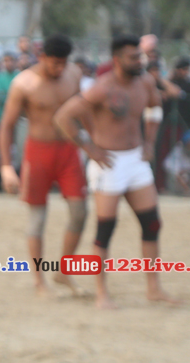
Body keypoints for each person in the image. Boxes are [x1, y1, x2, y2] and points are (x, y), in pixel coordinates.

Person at [54, 36, 180, 309]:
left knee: (152, 224)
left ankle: (153, 288)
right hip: (108, 163)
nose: (139, 61)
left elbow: (154, 107)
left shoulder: (145, 82)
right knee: (106, 229)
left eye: (140, 56)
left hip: (136, 160)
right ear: (117, 60)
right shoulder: (102, 88)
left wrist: (150, 141)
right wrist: (90, 149)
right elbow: (64, 117)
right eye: (133, 57)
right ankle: (102, 293)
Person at [0, 35, 87, 296]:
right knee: (37, 219)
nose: (59, 68)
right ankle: (39, 281)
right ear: (42, 57)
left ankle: (64, 271)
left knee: (80, 212)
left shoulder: (73, 74)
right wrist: (6, 167)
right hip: (38, 152)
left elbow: (83, 110)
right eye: (55, 63)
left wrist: (93, 143)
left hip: (68, 150)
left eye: (63, 63)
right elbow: (6, 125)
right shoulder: (24, 83)